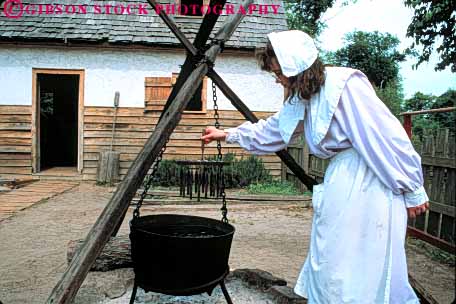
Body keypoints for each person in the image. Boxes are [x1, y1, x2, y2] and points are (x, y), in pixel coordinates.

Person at [201, 30, 430, 304]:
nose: (276, 79)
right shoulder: (304, 96)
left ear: (295, 68)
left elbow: (383, 135)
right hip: (342, 181)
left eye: (278, 72)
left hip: (370, 181)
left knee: (360, 259)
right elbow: (275, 129)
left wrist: (412, 187)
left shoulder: (344, 85)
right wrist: (228, 134)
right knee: (334, 257)